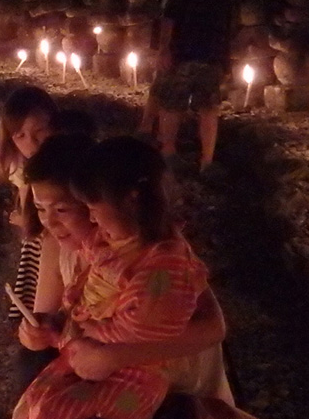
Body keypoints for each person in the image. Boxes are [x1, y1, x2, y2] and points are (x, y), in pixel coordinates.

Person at [0, 137, 210, 419]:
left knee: (57, 413)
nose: (58, 221)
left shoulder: (160, 261)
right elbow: (71, 304)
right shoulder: (102, 244)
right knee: (29, 406)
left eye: (73, 208)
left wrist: (80, 335)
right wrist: (47, 329)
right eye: (42, 208)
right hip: (87, 356)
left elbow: (140, 329)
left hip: (134, 372)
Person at [21, 134, 232, 405]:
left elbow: (214, 327)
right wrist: (37, 332)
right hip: (110, 383)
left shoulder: (156, 249)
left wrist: (113, 357)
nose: (50, 222)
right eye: (40, 209)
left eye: (62, 209)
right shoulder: (58, 247)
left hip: (182, 396)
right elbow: (56, 315)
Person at [148, 0, 244, 174]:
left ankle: (207, 161)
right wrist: (165, 49)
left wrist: (225, 59)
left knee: (209, 107)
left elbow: (226, 25)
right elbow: (169, 18)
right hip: (182, 53)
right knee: (173, 104)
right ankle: (168, 151)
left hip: (210, 56)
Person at [0, 87, 58, 341]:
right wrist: (24, 218)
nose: (31, 144)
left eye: (40, 133)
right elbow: (25, 200)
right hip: (36, 243)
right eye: (20, 136)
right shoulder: (22, 167)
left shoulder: (62, 171)